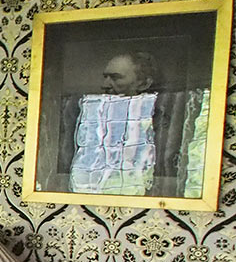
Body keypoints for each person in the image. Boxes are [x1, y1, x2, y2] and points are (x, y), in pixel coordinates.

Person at [55, 48, 207, 197]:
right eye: (105, 77)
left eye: (115, 78)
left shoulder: (168, 119)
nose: (105, 85)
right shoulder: (84, 112)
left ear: (143, 83)